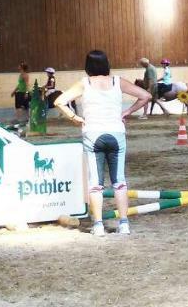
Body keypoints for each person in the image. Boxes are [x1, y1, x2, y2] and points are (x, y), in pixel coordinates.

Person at [53, 50, 151, 237]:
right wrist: (127, 112)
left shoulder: (84, 83)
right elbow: (145, 96)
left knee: (95, 184)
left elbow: (59, 101)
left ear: (88, 66)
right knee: (119, 182)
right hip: (116, 134)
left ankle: (98, 225)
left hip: (93, 134)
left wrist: (75, 117)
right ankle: (124, 224)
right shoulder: (117, 81)